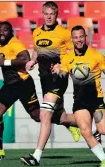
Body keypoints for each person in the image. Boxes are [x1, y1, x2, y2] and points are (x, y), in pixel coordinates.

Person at [51, 25, 105, 167]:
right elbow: (63, 74)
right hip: (79, 101)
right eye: (75, 37)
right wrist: (57, 72)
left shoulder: (96, 55)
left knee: (104, 130)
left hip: (96, 99)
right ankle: (104, 160)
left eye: (81, 36)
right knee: (85, 131)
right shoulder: (68, 57)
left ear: (86, 37)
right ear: (72, 39)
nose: (79, 40)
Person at [20, 1, 82, 166]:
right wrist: (32, 61)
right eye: (46, 13)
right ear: (42, 14)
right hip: (44, 79)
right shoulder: (37, 32)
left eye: (51, 14)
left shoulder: (63, 33)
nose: (48, 16)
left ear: (56, 15)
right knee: (60, 118)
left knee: (44, 114)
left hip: (58, 79)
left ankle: (36, 156)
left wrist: (62, 65)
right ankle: (92, 126)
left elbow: (72, 54)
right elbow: (36, 50)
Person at [0, 21, 41, 159]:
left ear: (11, 32)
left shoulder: (15, 43)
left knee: (37, 117)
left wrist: (5, 62)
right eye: (0, 30)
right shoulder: (1, 45)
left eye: (5, 30)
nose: (2, 32)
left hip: (23, 84)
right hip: (10, 85)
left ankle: (65, 121)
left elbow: (25, 58)